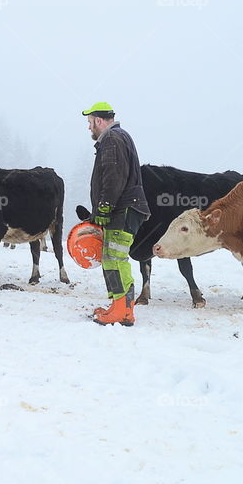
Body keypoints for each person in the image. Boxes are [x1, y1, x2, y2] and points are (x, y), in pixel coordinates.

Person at [83, 102, 150, 326]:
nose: (89, 127)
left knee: (115, 258)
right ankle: (120, 307)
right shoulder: (119, 136)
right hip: (124, 208)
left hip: (123, 209)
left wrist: (104, 207)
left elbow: (114, 176)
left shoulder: (111, 138)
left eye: (90, 123)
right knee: (112, 258)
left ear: (99, 120)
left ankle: (122, 311)